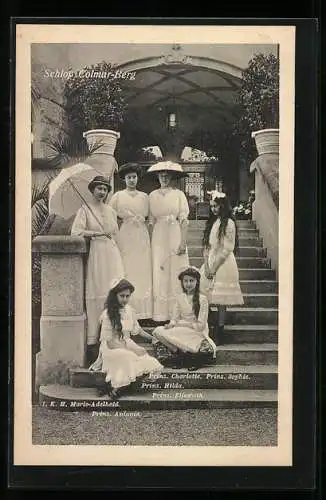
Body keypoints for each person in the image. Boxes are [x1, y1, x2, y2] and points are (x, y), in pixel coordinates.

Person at [71, 175, 124, 363]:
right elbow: (76, 231)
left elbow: (115, 233)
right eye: (99, 188)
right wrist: (95, 233)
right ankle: (95, 342)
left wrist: (108, 235)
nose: (102, 192)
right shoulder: (85, 210)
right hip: (96, 252)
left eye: (105, 189)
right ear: (92, 190)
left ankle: (116, 336)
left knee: (113, 290)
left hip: (111, 252)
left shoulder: (110, 210)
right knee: (97, 291)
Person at [89, 278, 163, 399]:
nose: (125, 299)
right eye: (121, 296)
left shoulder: (130, 310)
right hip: (111, 348)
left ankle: (117, 386)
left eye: (127, 296)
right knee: (130, 356)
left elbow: (137, 330)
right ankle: (117, 388)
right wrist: (131, 350)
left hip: (127, 343)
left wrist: (152, 339)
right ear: (115, 295)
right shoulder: (108, 314)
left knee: (148, 360)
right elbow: (110, 342)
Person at [147, 161, 190, 322]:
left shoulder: (179, 195)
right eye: (161, 175)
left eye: (167, 175)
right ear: (157, 177)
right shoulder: (152, 195)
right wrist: (150, 243)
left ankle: (177, 312)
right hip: (159, 235)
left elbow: (184, 220)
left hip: (174, 232)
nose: (164, 178)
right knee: (160, 269)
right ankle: (160, 314)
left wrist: (183, 242)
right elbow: (150, 221)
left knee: (176, 269)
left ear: (171, 177)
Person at [152, 266, 217, 371]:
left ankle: (186, 356)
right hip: (181, 328)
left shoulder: (203, 299)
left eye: (191, 281)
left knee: (202, 345)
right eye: (185, 281)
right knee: (157, 331)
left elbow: (201, 325)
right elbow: (175, 318)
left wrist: (180, 324)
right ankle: (181, 354)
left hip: (196, 330)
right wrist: (171, 324)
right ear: (182, 283)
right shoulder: (180, 297)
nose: (188, 284)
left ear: (197, 282)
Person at [200, 191, 244, 344]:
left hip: (223, 263)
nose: (213, 209)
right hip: (211, 260)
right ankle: (209, 324)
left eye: (216, 206)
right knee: (203, 294)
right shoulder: (213, 222)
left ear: (223, 206)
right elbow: (207, 246)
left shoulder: (229, 223)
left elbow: (226, 248)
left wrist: (214, 267)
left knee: (220, 300)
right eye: (211, 206)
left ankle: (220, 329)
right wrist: (206, 265)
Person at [109, 163, 152, 319]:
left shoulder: (145, 197)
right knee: (128, 267)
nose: (132, 180)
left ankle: (144, 312)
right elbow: (110, 216)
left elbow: (150, 217)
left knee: (142, 268)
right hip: (126, 233)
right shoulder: (118, 196)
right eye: (129, 178)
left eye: (134, 177)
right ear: (124, 179)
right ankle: (127, 309)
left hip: (141, 233)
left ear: (137, 178)